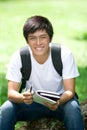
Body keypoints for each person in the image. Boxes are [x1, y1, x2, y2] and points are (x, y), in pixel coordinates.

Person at [0, 15, 84, 130]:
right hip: (31, 104)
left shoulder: (64, 54)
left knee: (73, 107)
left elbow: (70, 91)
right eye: (32, 38)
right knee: (6, 109)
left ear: (50, 38)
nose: (38, 43)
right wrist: (23, 98)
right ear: (27, 40)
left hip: (61, 102)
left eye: (43, 37)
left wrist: (58, 102)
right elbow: (11, 93)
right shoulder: (19, 56)